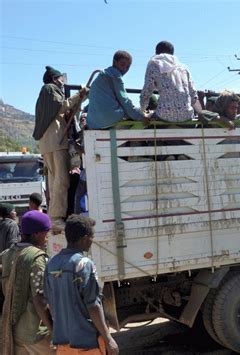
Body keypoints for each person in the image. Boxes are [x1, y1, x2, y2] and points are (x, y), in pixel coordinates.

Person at [44, 214, 119, 355]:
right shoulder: (84, 265)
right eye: (92, 237)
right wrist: (108, 338)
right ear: (84, 238)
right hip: (87, 344)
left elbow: (49, 302)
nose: (92, 241)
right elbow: (93, 305)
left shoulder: (51, 264)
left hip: (63, 344)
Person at [34, 65, 88, 232]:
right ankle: (56, 219)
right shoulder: (49, 89)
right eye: (61, 79)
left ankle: (54, 217)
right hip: (55, 140)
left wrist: (79, 99)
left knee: (54, 180)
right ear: (54, 79)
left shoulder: (46, 93)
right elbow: (61, 107)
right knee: (61, 181)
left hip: (49, 141)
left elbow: (66, 113)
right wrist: (79, 95)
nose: (63, 83)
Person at [1, 210, 54, 354]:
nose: (47, 238)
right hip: (36, 333)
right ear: (36, 234)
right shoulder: (37, 258)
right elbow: (39, 298)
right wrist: (53, 329)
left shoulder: (7, 254)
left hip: (15, 331)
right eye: (46, 233)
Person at [87, 50, 151, 129]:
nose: (124, 69)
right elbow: (125, 101)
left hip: (93, 122)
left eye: (128, 67)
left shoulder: (101, 76)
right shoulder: (115, 76)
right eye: (122, 65)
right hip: (109, 118)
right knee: (135, 116)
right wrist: (141, 117)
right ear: (114, 62)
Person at [140, 40, 201, 123]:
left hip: (164, 117)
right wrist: (199, 112)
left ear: (156, 52)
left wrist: (142, 111)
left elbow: (147, 92)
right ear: (172, 53)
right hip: (187, 117)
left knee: (147, 122)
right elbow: (193, 96)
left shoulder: (153, 63)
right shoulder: (183, 67)